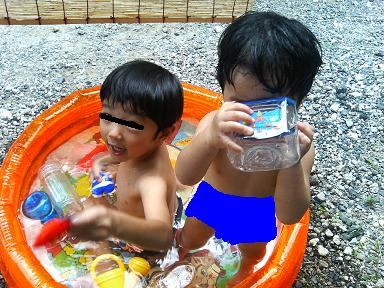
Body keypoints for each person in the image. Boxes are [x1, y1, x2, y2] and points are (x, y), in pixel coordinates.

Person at [175, 11, 322, 286]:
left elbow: (289, 215)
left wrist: (290, 160)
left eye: (268, 109)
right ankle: (179, 252)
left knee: (253, 252)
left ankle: (245, 273)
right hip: (213, 199)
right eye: (240, 104)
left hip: (257, 210)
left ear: (297, 103)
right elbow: (185, 176)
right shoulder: (213, 125)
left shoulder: (299, 148)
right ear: (223, 91)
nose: (252, 120)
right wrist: (208, 140)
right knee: (190, 237)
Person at [70, 60, 184, 253]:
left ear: (165, 133)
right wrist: (104, 160)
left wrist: (111, 223)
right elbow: (130, 153)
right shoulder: (144, 144)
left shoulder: (151, 183)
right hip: (161, 208)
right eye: (107, 116)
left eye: (131, 125)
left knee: (84, 233)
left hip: (142, 242)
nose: (114, 133)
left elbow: (162, 238)